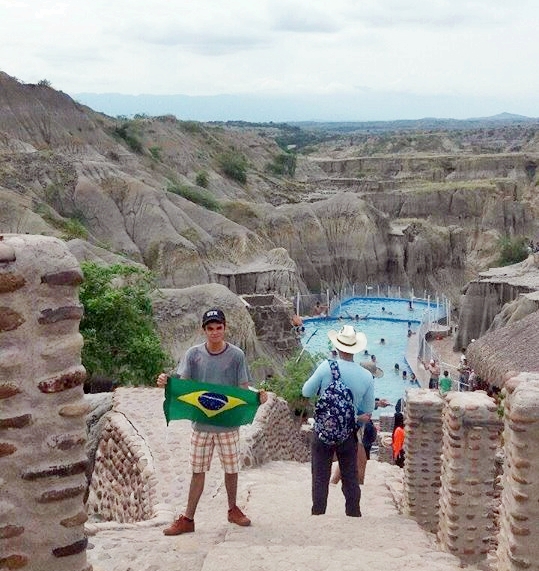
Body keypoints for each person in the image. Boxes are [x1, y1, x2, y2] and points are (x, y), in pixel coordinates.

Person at [156, 308, 267, 536]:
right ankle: (188, 518)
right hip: (201, 425)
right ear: (204, 330)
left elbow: (242, 389)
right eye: (210, 328)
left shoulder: (237, 356)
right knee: (198, 471)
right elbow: (183, 384)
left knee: (231, 469)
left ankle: (233, 509)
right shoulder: (193, 355)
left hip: (228, 424)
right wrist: (167, 382)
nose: (215, 332)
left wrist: (256, 398)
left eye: (218, 328)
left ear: (225, 328)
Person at [302, 325, 374, 517]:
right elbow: (368, 409)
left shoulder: (326, 367)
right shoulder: (366, 376)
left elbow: (306, 391)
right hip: (348, 433)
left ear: (338, 347)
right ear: (356, 348)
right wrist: (353, 420)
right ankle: (353, 513)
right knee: (350, 475)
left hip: (322, 430)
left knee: (320, 474)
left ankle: (318, 513)